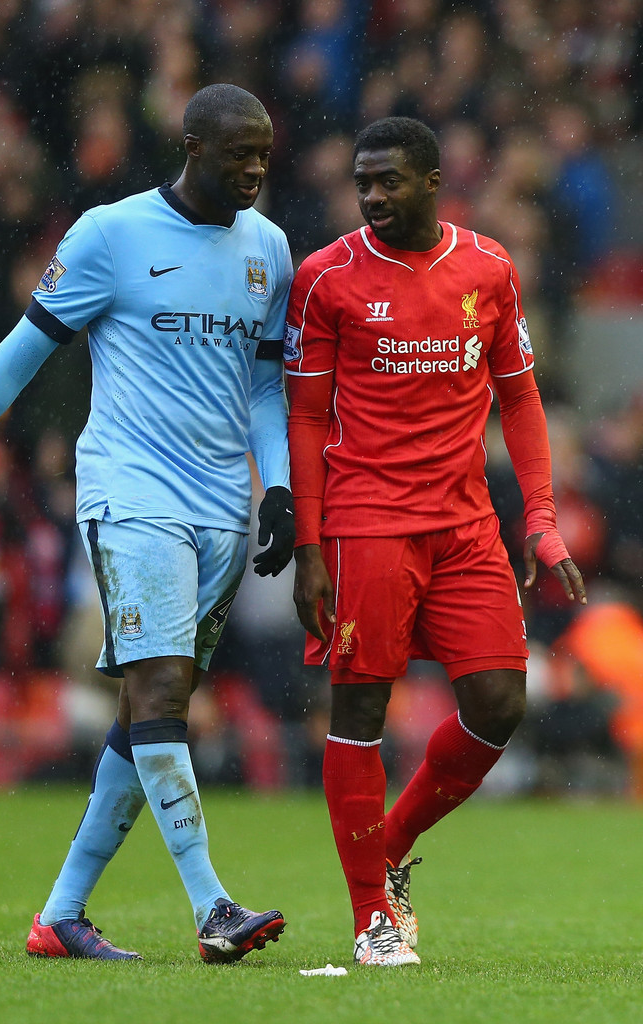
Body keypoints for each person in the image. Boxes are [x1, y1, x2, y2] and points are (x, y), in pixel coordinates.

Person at [0, 83, 295, 964]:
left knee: (153, 705)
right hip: (132, 489)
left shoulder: (269, 247)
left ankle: (61, 915)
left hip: (223, 506)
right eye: (240, 153)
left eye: (265, 154)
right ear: (193, 146)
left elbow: (266, 384)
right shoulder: (110, 235)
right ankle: (212, 907)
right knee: (162, 692)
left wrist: (280, 490)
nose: (256, 169)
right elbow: (20, 355)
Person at [283, 116, 586, 968]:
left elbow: (519, 397)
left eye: (388, 181)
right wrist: (309, 545)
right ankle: (370, 921)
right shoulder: (325, 277)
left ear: (431, 183)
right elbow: (305, 416)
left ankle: (389, 848)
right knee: (360, 712)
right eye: (362, 183)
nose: (373, 196)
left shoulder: (489, 268)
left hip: (464, 524)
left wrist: (541, 519)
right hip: (366, 520)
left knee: (499, 703)